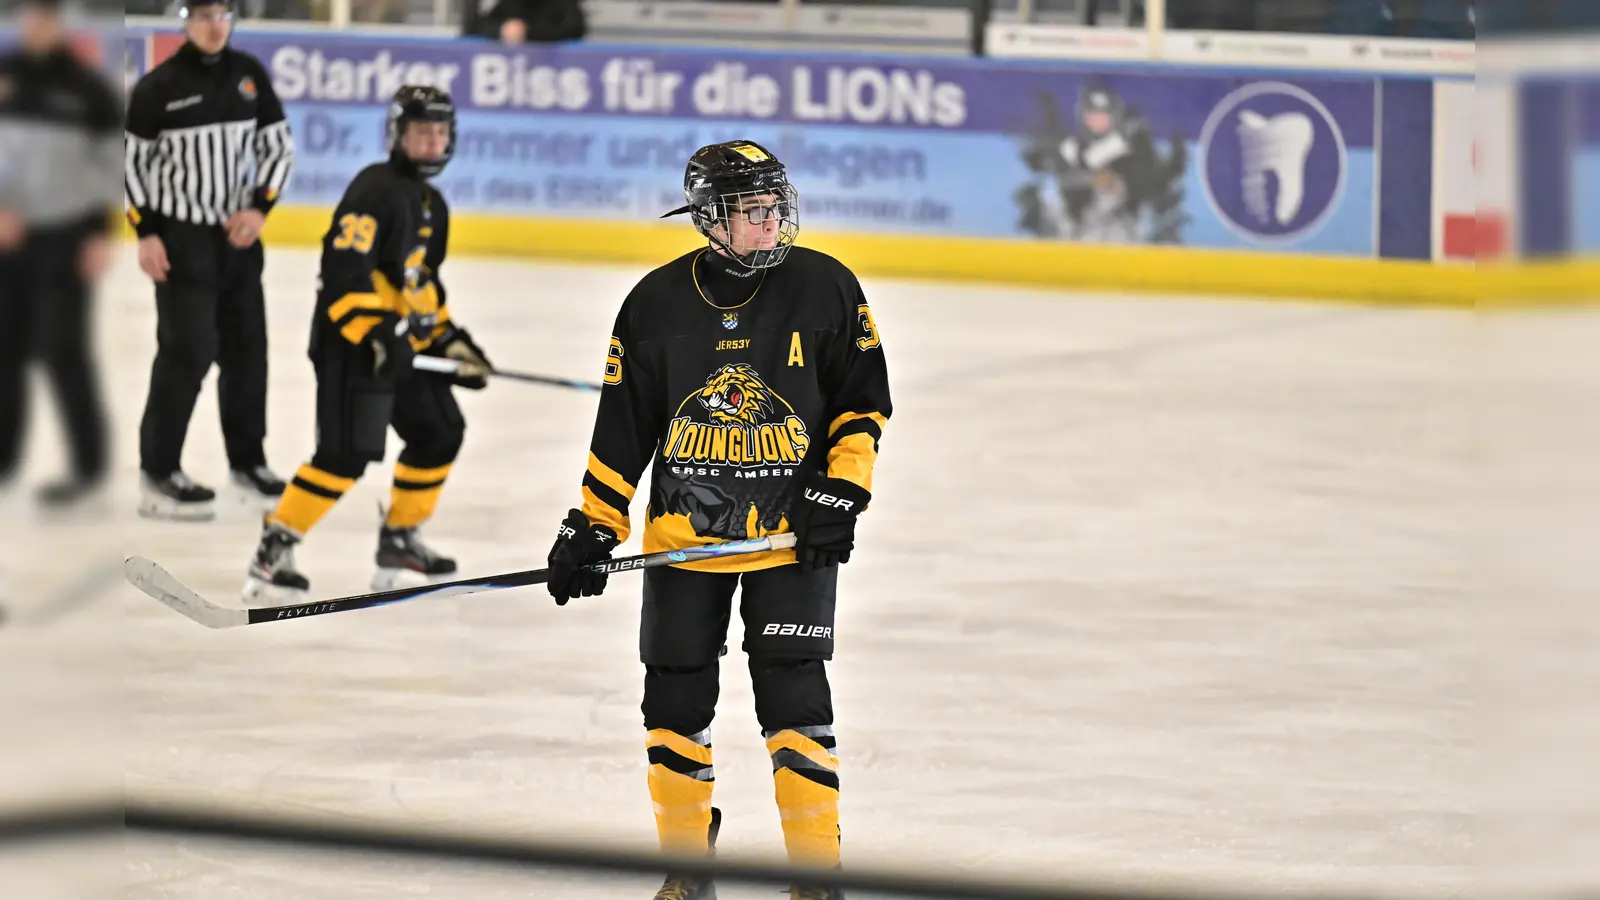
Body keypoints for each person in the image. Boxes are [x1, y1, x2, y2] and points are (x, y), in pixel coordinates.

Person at [544, 140, 891, 900]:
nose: (770, 227)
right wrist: (593, 524)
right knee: (672, 703)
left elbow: (862, 403)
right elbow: (622, 432)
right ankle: (689, 868)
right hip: (683, 545)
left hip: (790, 542)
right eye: (751, 213)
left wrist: (842, 490)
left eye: (774, 210)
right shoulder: (653, 306)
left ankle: (814, 875)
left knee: (796, 702)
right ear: (709, 217)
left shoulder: (827, 288)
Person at [242, 85, 492, 602]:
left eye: (440, 132)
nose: (431, 142)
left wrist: (451, 343)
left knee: (439, 430)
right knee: (345, 454)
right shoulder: (374, 189)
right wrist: (377, 334)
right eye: (420, 132)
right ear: (397, 136)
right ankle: (274, 547)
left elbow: (418, 286)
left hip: (400, 345)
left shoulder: (432, 205)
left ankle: (399, 538)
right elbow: (343, 272)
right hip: (351, 344)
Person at [123, 0, 294, 521]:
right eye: (204, 15)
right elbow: (131, 165)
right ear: (187, 21)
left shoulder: (248, 76)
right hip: (180, 239)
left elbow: (277, 146)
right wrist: (147, 233)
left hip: (238, 240)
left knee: (247, 352)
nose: (215, 24)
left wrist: (260, 206)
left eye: (223, 13)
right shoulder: (158, 88)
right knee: (187, 352)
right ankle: (158, 472)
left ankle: (247, 464)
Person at [0, 0, 121, 508]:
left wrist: (100, 232)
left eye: (48, 14)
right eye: (31, 14)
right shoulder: (4, 76)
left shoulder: (88, 86)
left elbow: (112, 165)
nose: (39, 23)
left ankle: (87, 467)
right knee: (4, 352)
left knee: (62, 351)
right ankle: (4, 459)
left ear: (60, 20)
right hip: (7, 239)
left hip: (67, 238)